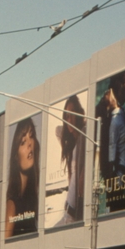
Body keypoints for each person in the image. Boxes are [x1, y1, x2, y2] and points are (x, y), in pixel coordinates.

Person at [5, 117, 40, 238]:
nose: (29, 143)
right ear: (16, 155)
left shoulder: (35, 196)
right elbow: (5, 248)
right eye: (23, 142)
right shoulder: (12, 204)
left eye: (32, 136)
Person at [56, 94, 86, 226]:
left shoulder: (85, 136)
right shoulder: (72, 144)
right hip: (68, 211)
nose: (69, 119)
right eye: (66, 116)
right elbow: (57, 130)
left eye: (72, 114)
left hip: (77, 214)